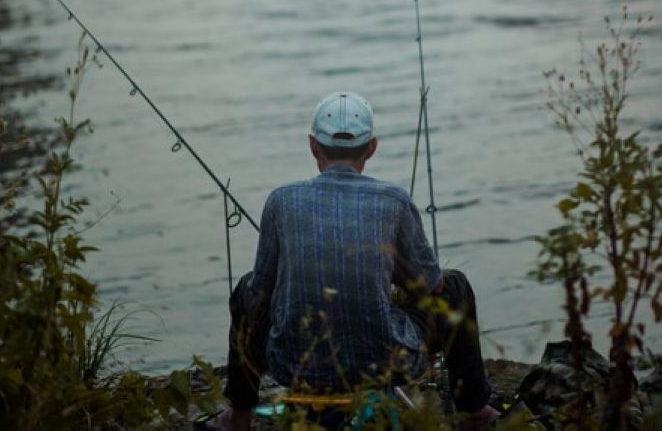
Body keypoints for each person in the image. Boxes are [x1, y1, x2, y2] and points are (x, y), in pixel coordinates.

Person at [213, 92, 501, 430]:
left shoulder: (281, 200)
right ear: (372, 148)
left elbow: (261, 292)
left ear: (312, 146)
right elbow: (433, 284)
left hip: (294, 365)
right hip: (388, 364)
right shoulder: (393, 200)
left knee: (247, 288)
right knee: (455, 286)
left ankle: (240, 415)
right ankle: (474, 412)